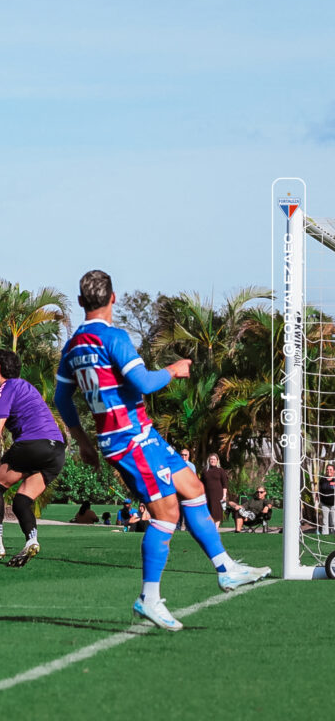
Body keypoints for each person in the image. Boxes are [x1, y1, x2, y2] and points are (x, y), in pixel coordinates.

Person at [54, 269, 269, 631]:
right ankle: (148, 599)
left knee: (194, 489)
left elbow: (62, 397)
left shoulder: (73, 347)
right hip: (130, 441)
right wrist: (174, 369)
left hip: (139, 436)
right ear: (114, 298)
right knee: (166, 514)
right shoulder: (113, 337)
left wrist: (84, 441)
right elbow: (144, 382)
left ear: (80, 302)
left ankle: (226, 569)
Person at [0, 349, 67, 566]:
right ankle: (31, 541)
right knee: (22, 500)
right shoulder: (26, 386)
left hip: (33, 445)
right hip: (57, 451)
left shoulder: (5, 388)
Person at [201, 454, 229, 525]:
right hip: (207, 495)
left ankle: (215, 530)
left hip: (218, 495)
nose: (212, 460)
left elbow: (224, 484)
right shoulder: (205, 471)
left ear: (217, 460)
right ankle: (210, 528)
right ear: (209, 460)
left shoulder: (220, 470)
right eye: (211, 459)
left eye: (214, 459)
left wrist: (224, 495)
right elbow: (201, 484)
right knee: (208, 512)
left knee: (217, 513)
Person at [320, 464, 335, 535]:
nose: (328, 471)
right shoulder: (322, 480)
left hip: (333, 504)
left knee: (333, 521)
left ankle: (333, 536)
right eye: (327, 469)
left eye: (330, 469)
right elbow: (319, 491)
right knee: (324, 521)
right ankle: (324, 536)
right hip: (324, 504)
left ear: (334, 471)